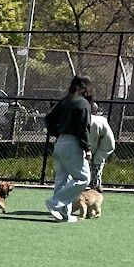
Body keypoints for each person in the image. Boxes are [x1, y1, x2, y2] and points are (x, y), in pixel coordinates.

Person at [44, 77, 93, 220]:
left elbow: (49, 117)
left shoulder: (65, 100)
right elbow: (84, 128)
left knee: (63, 178)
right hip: (73, 144)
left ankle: (64, 214)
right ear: (85, 88)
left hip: (60, 142)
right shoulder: (83, 103)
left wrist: (56, 132)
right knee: (83, 178)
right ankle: (55, 202)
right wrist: (87, 148)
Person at [88, 104, 116, 189]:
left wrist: (98, 158)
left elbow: (108, 144)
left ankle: (95, 187)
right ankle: (95, 186)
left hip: (95, 150)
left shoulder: (100, 121)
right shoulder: (100, 121)